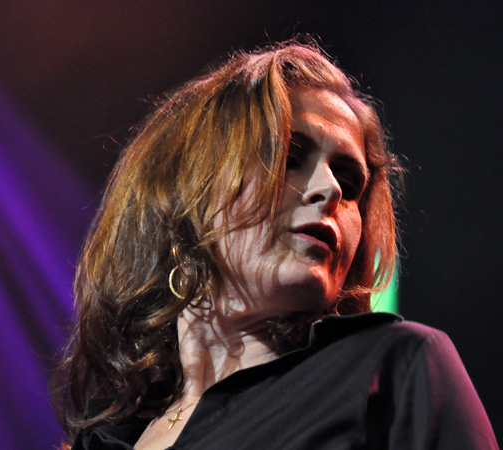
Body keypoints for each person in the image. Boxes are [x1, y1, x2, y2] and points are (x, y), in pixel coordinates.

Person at [52, 41, 498, 449]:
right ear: (186, 196)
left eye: (349, 182)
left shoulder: (394, 372)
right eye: (289, 158)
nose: (330, 189)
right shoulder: (103, 440)